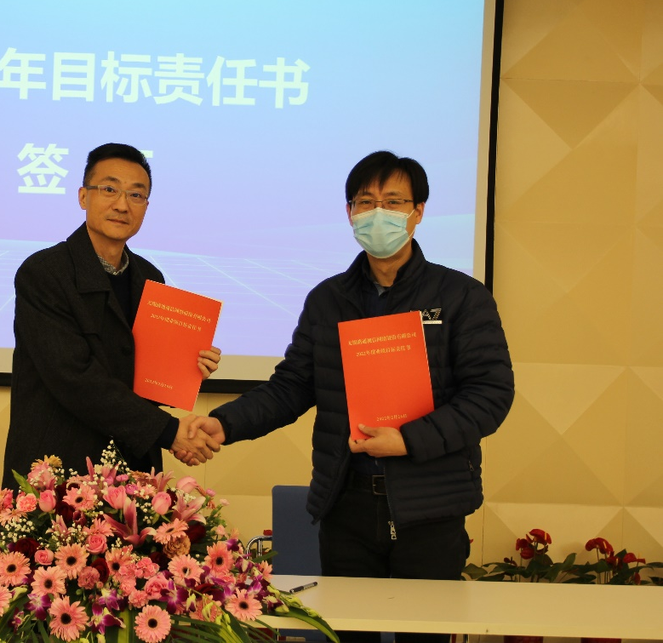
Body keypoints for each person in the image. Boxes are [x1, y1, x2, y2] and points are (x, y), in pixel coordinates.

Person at [187, 151, 514, 643]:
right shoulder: (329, 299)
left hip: (431, 508)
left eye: (393, 202)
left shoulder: (461, 297)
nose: (378, 213)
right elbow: (292, 385)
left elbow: (490, 395)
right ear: (349, 213)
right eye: (365, 202)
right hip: (347, 505)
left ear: (418, 212)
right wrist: (225, 423)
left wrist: (408, 440)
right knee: (349, 635)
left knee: (423, 636)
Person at [2, 143, 222, 489]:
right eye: (109, 189)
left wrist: (185, 368)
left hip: (132, 471)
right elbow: (73, 377)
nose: (122, 205)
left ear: (146, 206)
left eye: (136, 195)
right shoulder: (44, 272)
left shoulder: (150, 278)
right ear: (83, 196)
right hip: (58, 473)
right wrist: (169, 432)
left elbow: (140, 383)